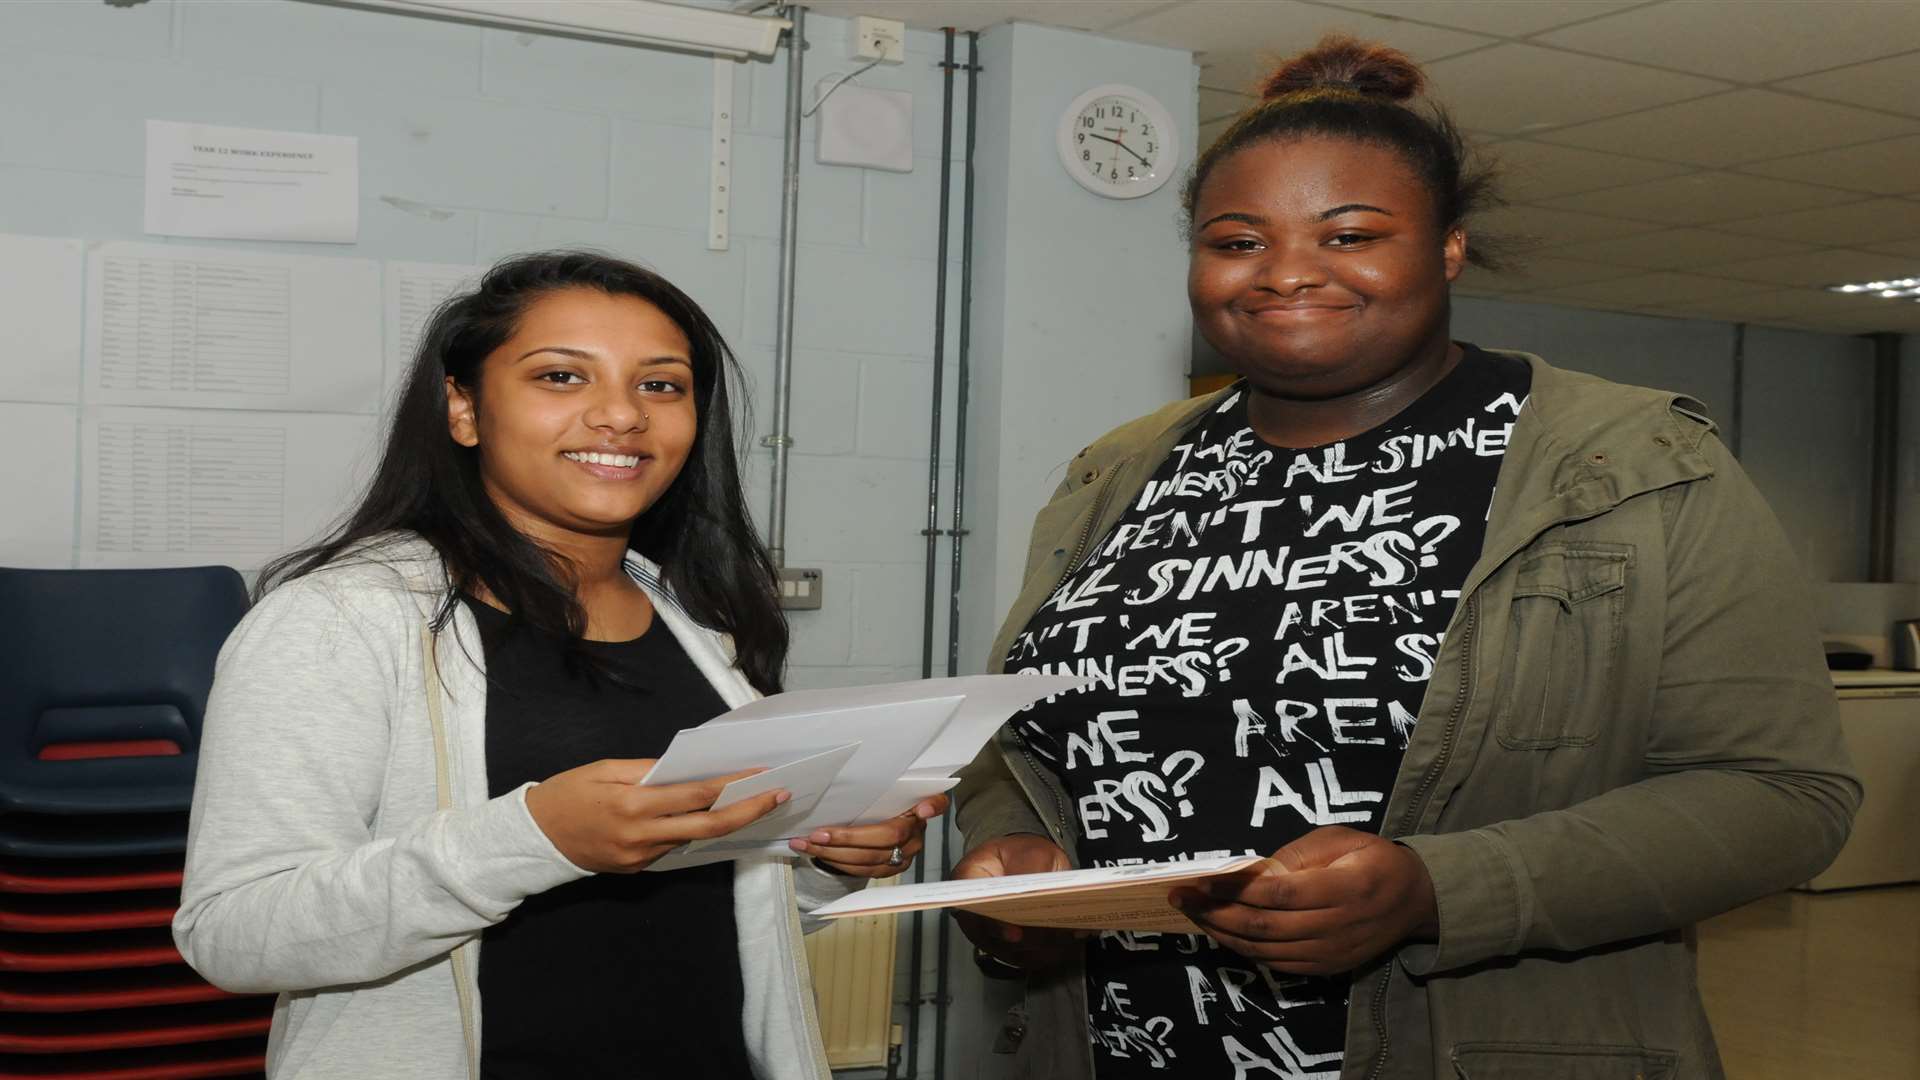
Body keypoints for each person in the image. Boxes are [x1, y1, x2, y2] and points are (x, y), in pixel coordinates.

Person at [950, 37, 1859, 1080]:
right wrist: (1016, 860)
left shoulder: (1633, 466)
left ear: (1449, 249)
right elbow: (1019, 743)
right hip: (1122, 1049)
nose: (1286, 271)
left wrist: (1440, 889)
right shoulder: (1117, 473)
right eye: (1236, 240)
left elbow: (1781, 797)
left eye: (1350, 233)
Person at [174, 251, 944, 1079]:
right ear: (464, 409)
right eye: (561, 378)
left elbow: (715, 901)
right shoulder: (338, 621)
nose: (621, 417)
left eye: (661, 385)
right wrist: (536, 836)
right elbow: (235, 932)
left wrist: (822, 860)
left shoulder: (696, 622)